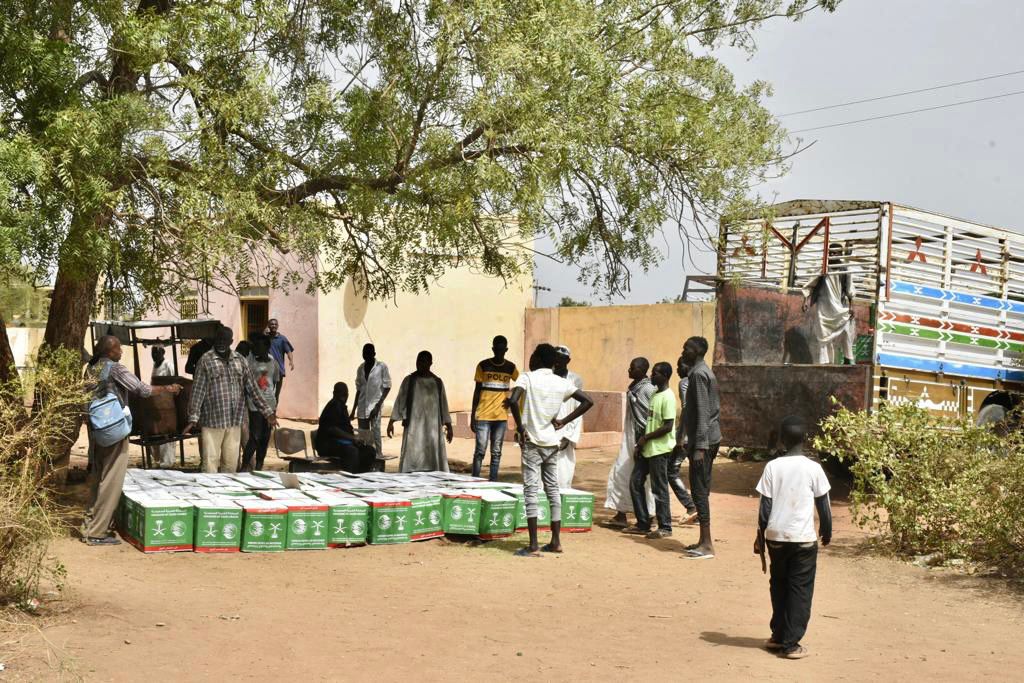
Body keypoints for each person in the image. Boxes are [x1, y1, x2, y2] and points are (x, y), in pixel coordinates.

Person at [83, 336, 181, 545]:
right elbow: (143, 390)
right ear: (110, 351)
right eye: (118, 348)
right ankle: (96, 533)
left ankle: (89, 524)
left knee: (99, 476)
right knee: (111, 480)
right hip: (115, 430)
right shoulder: (115, 368)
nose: (121, 351)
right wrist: (168, 389)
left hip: (97, 429)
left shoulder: (90, 369)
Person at [754, 416, 833, 660]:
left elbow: (764, 507)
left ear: (783, 440)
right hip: (803, 539)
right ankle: (790, 644)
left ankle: (778, 636)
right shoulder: (814, 468)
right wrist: (826, 531)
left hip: (776, 537)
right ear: (805, 439)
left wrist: (760, 537)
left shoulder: (772, 467)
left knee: (779, 585)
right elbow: (824, 505)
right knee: (800, 589)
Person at [507, 343, 594, 557]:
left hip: (532, 442)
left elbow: (512, 399)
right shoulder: (560, 382)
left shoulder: (527, 378)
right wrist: (563, 421)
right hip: (552, 442)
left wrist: (520, 427)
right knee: (552, 489)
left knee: (530, 490)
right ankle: (555, 541)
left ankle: (534, 544)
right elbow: (588, 401)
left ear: (537, 359)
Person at [185, 326, 278, 473]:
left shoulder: (240, 360)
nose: (221, 342)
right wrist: (193, 416)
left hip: (234, 422)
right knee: (210, 464)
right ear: (215, 340)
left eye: (225, 340)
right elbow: (198, 390)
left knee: (230, 465)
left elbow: (253, 389)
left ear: (231, 341)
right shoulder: (206, 360)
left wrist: (267, 412)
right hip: (212, 421)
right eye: (219, 339)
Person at [681, 335, 721, 559]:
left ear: (696, 351)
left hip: (704, 442)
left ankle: (706, 544)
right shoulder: (703, 372)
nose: (683, 350)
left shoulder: (698, 374)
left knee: (699, 491)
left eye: (687, 348)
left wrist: (700, 447)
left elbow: (704, 412)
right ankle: (702, 540)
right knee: (701, 489)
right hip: (709, 438)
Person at [604, 357, 656, 528]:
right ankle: (621, 514)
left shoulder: (648, 389)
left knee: (642, 478)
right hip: (630, 435)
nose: (629, 370)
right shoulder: (635, 387)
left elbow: (652, 416)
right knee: (621, 473)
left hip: (641, 436)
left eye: (632, 368)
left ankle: (648, 514)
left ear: (642, 370)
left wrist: (643, 441)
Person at [627, 362, 676, 539]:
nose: (652, 376)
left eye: (655, 373)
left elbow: (668, 426)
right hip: (647, 448)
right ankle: (642, 523)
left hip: (660, 450)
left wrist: (645, 438)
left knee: (659, 488)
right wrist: (641, 444)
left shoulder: (668, 397)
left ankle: (665, 527)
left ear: (664, 376)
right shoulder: (655, 394)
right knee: (635, 482)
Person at [387, 351, 454, 472]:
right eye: (419, 361)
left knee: (432, 455)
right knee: (413, 455)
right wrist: (391, 422)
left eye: (424, 361)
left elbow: (443, 405)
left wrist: (449, 426)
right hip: (414, 426)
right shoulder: (409, 380)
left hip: (432, 428)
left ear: (430, 363)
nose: (420, 364)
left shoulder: (437, 382)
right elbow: (400, 401)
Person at [470, 335, 519, 481]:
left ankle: (493, 480)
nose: (499, 352)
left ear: (506, 350)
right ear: (493, 349)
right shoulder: (483, 365)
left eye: (502, 350)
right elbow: (477, 391)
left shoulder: (511, 367)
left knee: (496, 452)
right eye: (496, 349)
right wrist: (473, 416)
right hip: (483, 416)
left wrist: (512, 399)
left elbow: (522, 384)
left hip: (501, 417)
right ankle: (474, 481)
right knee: (480, 451)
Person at [801, 243, 857, 365]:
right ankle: (824, 362)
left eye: (835, 253)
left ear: (840, 254)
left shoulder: (845, 269)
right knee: (823, 334)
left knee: (846, 330)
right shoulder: (822, 267)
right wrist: (806, 300)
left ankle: (849, 358)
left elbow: (849, 290)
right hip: (823, 306)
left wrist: (851, 307)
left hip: (839, 306)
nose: (832, 255)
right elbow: (811, 284)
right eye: (830, 252)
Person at [240, 335, 280, 471]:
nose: (255, 348)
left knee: (265, 437)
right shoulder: (249, 362)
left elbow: (276, 381)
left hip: (270, 403)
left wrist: (276, 399)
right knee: (255, 436)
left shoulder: (273, 363)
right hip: (255, 403)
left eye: (259, 346)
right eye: (255, 346)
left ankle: (259, 466)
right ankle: (245, 465)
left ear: (267, 347)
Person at [316, 382, 375, 473]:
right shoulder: (334, 406)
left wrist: (354, 440)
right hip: (327, 444)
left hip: (341, 442)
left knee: (369, 450)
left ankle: (362, 476)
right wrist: (352, 438)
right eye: (342, 394)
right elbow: (333, 429)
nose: (344, 397)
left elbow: (345, 428)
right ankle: (350, 477)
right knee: (351, 451)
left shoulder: (341, 406)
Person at [352, 343, 391, 470]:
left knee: (375, 434)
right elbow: (358, 390)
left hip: (375, 406)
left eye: (369, 353)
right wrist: (353, 410)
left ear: (374, 354)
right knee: (363, 436)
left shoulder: (381, 367)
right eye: (364, 353)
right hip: (362, 407)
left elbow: (387, 386)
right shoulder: (360, 369)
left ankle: (377, 460)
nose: (366, 355)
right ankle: (364, 463)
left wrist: (378, 405)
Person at [670, 355, 699, 525]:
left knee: (671, 471)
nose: (677, 369)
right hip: (700, 436)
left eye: (679, 366)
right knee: (697, 475)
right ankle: (699, 512)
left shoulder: (685, 382)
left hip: (687, 437)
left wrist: (680, 437)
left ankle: (691, 507)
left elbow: (687, 410)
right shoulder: (702, 380)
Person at [553, 345, 584, 488]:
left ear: (568, 360)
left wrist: (569, 436)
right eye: (556, 357)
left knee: (564, 471)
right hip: (547, 430)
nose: (558, 361)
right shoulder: (547, 378)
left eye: (562, 358)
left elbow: (578, 410)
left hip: (565, 430)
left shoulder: (575, 380)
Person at [147, 345, 177, 468]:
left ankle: (167, 462)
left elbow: (174, 381)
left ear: (162, 353)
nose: (154, 356)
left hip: (168, 402)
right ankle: (158, 460)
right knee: (157, 431)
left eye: (156, 353)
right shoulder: (154, 366)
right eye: (152, 353)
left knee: (167, 432)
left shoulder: (168, 364)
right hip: (157, 402)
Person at [266, 318, 295, 401]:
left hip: (279, 370)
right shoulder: (265, 338)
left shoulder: (282, 339)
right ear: (268, 326)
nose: (273, 326)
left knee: (276, 393)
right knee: (267, 392)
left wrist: (291, 361)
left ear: (278, 326)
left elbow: (289, 351)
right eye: (271, 324)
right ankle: (268, 412)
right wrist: (263, 334)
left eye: (275, 324)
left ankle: (274, 412)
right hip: (267, 369)